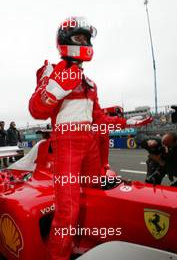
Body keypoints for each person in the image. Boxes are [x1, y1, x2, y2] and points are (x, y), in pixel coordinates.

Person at [29, 17, 152, 260]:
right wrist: (55, 89)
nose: (84, 43)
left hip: (91, 142)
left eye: (87, 39)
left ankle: (87, 244)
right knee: (68, 208)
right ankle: (58, 256)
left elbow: (99, 120)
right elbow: (35, 110)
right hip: (67, 142)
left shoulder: (90, 83)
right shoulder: (51, 71)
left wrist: (127, 121)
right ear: (65, 40)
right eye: (79, 38)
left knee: (95, 194)